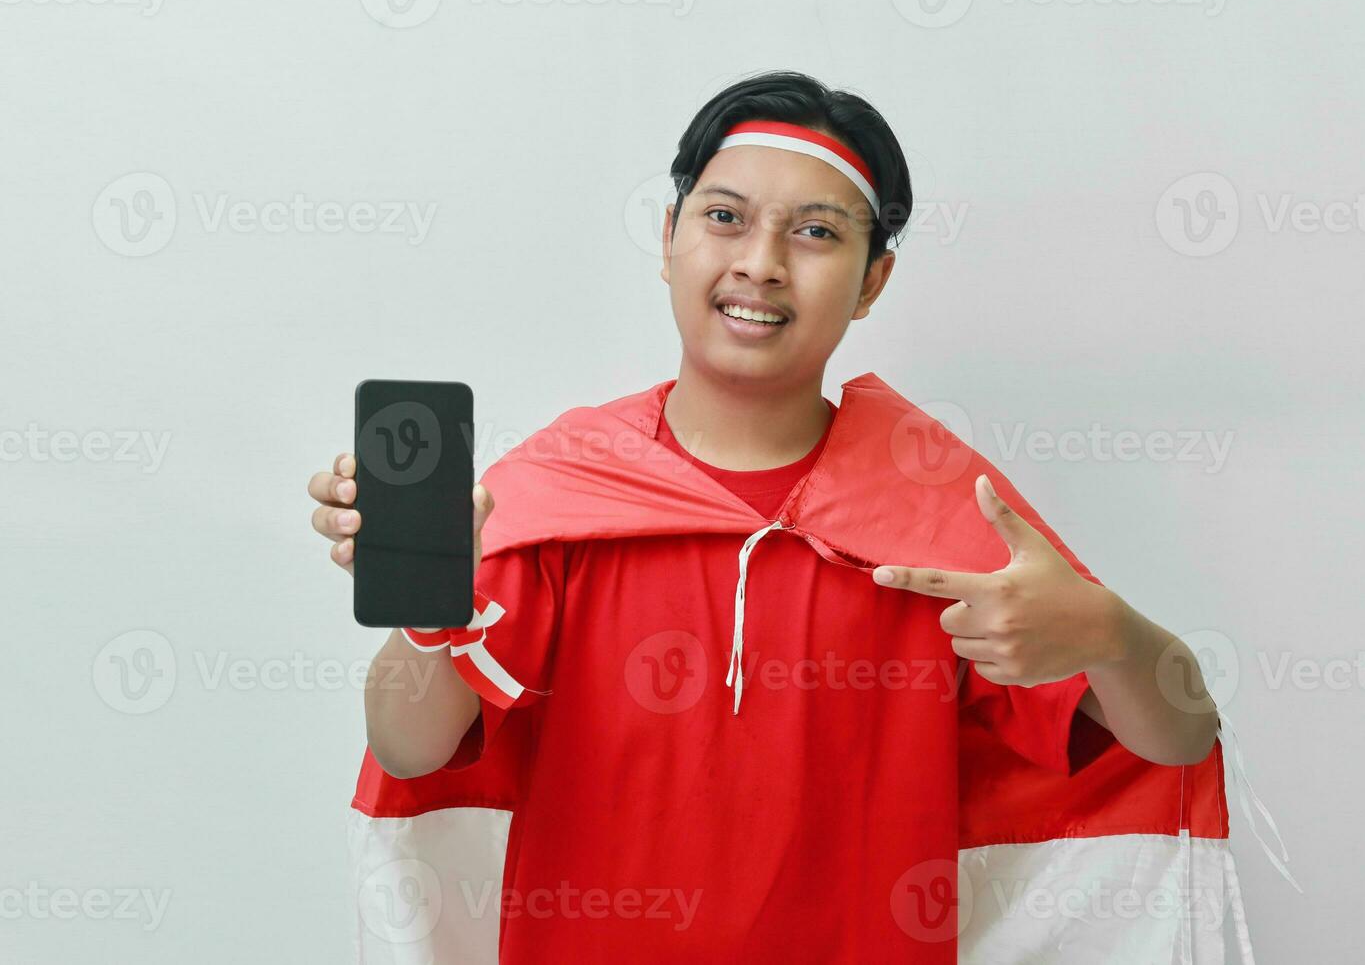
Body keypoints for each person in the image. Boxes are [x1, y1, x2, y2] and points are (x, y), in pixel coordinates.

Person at [308, 71, 1229, 964]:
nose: (759, 261)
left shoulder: (943, 508)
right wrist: (433, 609)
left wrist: (1110, 632)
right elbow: (410, 748)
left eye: (817, 232)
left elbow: (1178, 735)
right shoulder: (555, 491)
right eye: (724, 217)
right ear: (669, 238)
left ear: (873, 282)